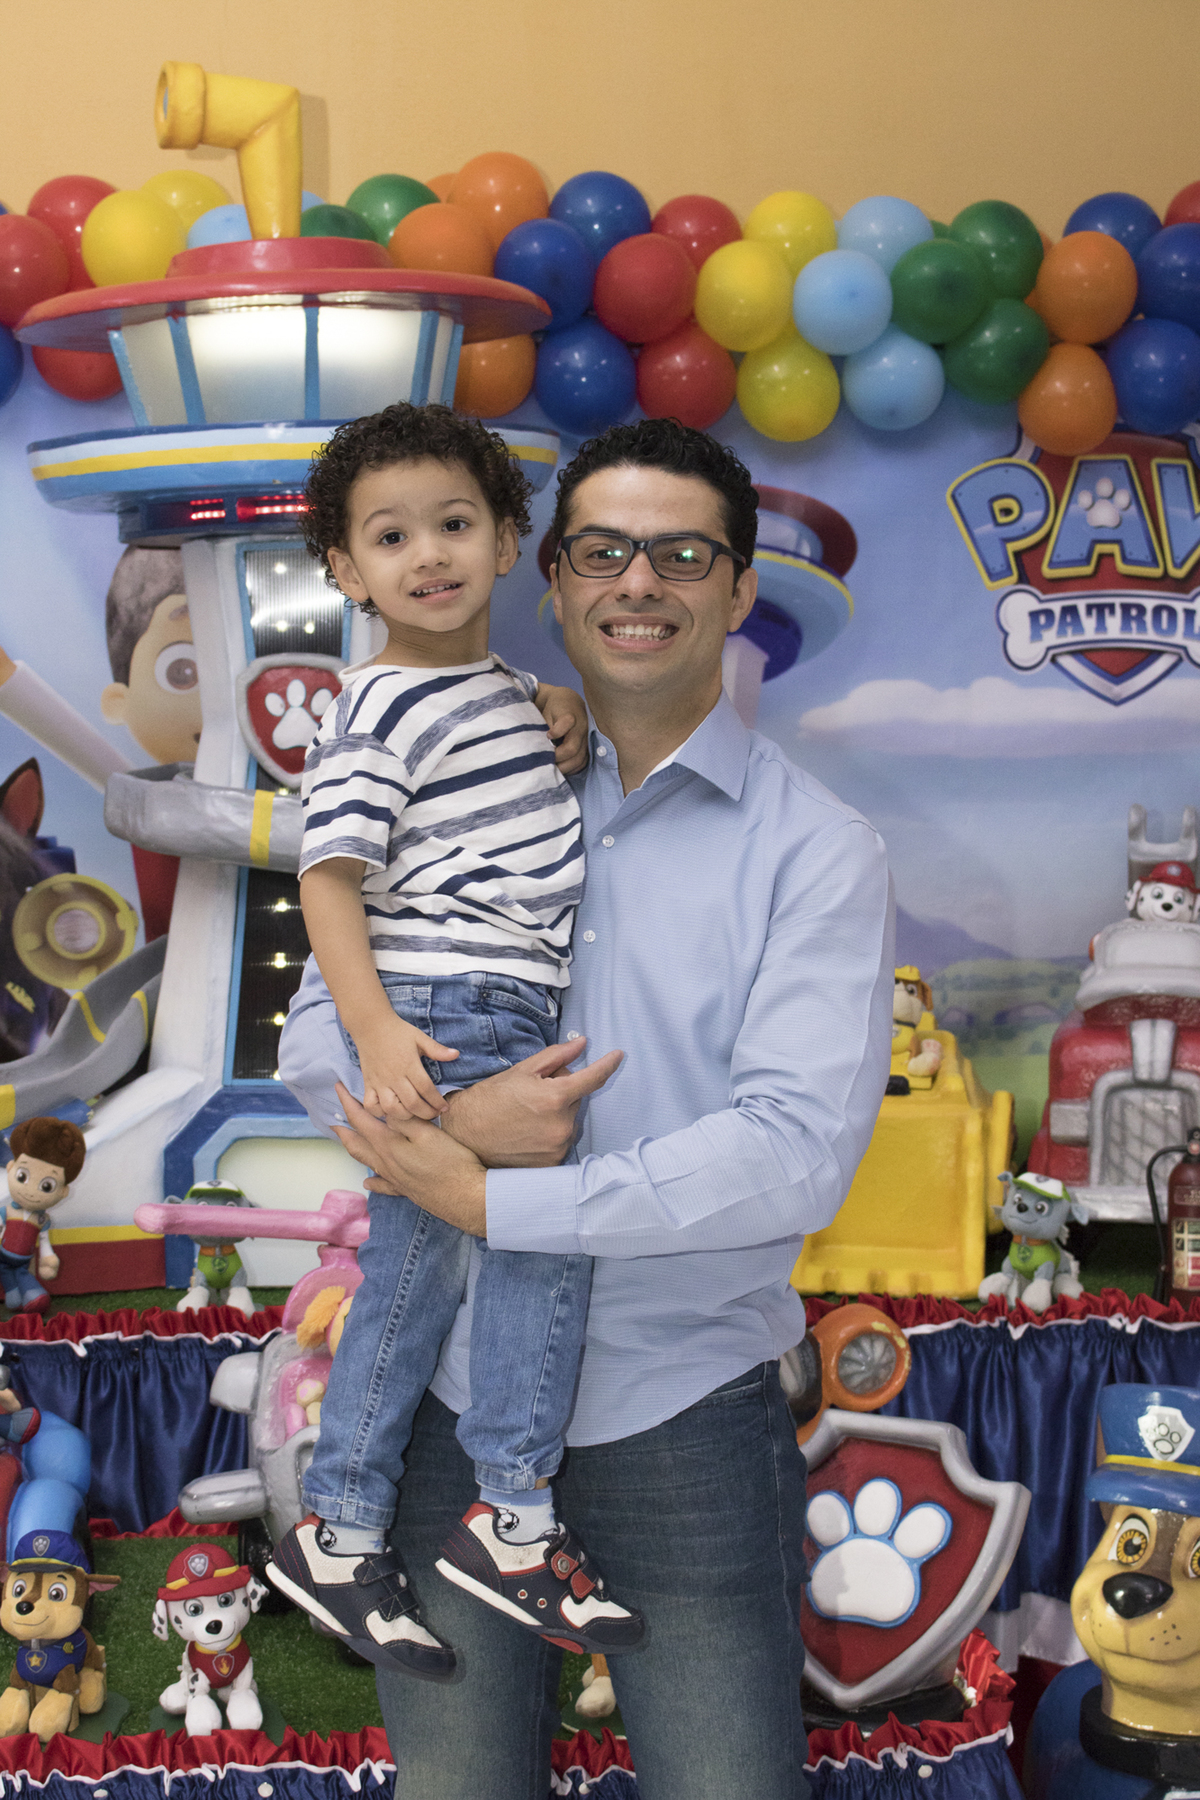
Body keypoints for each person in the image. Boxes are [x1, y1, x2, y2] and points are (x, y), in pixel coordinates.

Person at [282, 417, 894, 1799]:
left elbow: (794, 1154)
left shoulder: (817, 851)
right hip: (444, 1410)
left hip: (682, 1415)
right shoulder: (460, 762)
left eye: (684, 555)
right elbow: (319, 1028)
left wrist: (499, 1199)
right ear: (551, 575)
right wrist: (453, 1129)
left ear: (740, 588)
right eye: (605, 550)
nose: (640, 583)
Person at [268, 404, 644, 1680]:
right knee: (533, 1247)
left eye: (453, 523)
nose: (426, 554)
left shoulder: (504, 696)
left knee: (422, 1278)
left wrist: (557, 709)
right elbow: (328, 878)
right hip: (447, 1006)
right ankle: (506, 1514)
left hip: (493, 1004)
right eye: (389, 537)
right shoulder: (377, 705)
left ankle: (351, 1527)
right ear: (343, 569)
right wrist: (376, 1031)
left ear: (505, 539)